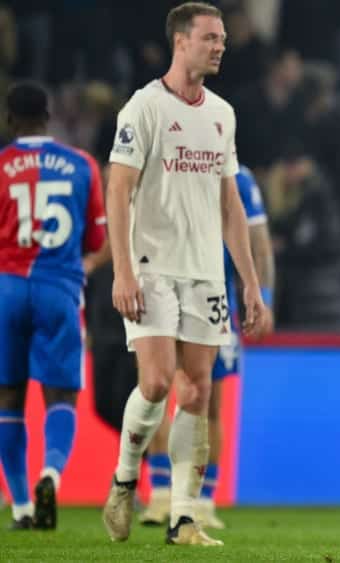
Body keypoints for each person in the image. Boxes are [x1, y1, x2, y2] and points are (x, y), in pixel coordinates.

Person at [101, 1, 265, 547]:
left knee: (197, 391)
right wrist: (122, 272)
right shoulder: (144, 107)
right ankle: (125, 477)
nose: (220, 46)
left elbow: (230, 204)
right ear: (181, 42)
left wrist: (249, 282)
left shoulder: (222, 113)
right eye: (210, 38)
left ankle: (184, 518)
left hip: (205, 274)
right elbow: (118, 189)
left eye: (222, 39)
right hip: (151, 268)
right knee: (155, 382)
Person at [139, 164, 275, 530]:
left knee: (206, 402)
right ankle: (163, 493)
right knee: (158, 391)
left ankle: (200, 500)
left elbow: (259, 244)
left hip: (214, 300)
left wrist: (263, 296)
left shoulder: (237, 176)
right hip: (166, 292)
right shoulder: (164, 163)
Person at [0, 82, 108, 530]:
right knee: (60, 395)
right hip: (60, 290)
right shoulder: (82, 165)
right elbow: (97, 240)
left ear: (9, 119)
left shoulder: (1, 166)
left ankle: (22, 506)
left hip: (6, 289)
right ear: (49, 117)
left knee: (8, 397)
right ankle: (51, 473)